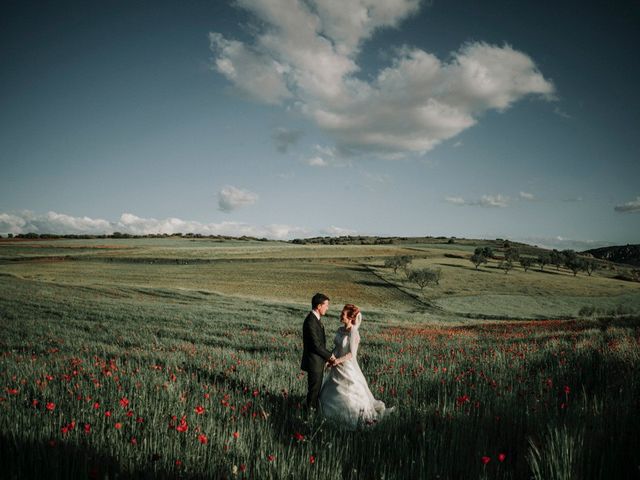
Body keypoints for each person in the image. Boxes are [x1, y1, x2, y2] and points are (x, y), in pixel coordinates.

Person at [319, 304, 390, 428]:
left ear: (350, 318)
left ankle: (352, 417)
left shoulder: (354, 333)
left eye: (343, 314)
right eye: (341, 313)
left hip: (346, 366)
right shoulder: (340, 330)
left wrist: (337, 361)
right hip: (336, 366)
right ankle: (327, 415)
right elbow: (337, 348)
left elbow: (351, 354)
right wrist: (329, 360)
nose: (341, 315)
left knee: (348, 393)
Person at [301, 293, 336, 411]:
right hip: (314, 363)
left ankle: (311, 411)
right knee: (314, 391)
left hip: (317, 362)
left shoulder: (315, 319)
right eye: (326, 305)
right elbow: (316, 345)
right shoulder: (311, 321)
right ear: (319, 306)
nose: (328, 308)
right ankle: (309, 415)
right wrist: (330, 356)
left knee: (315, 390)